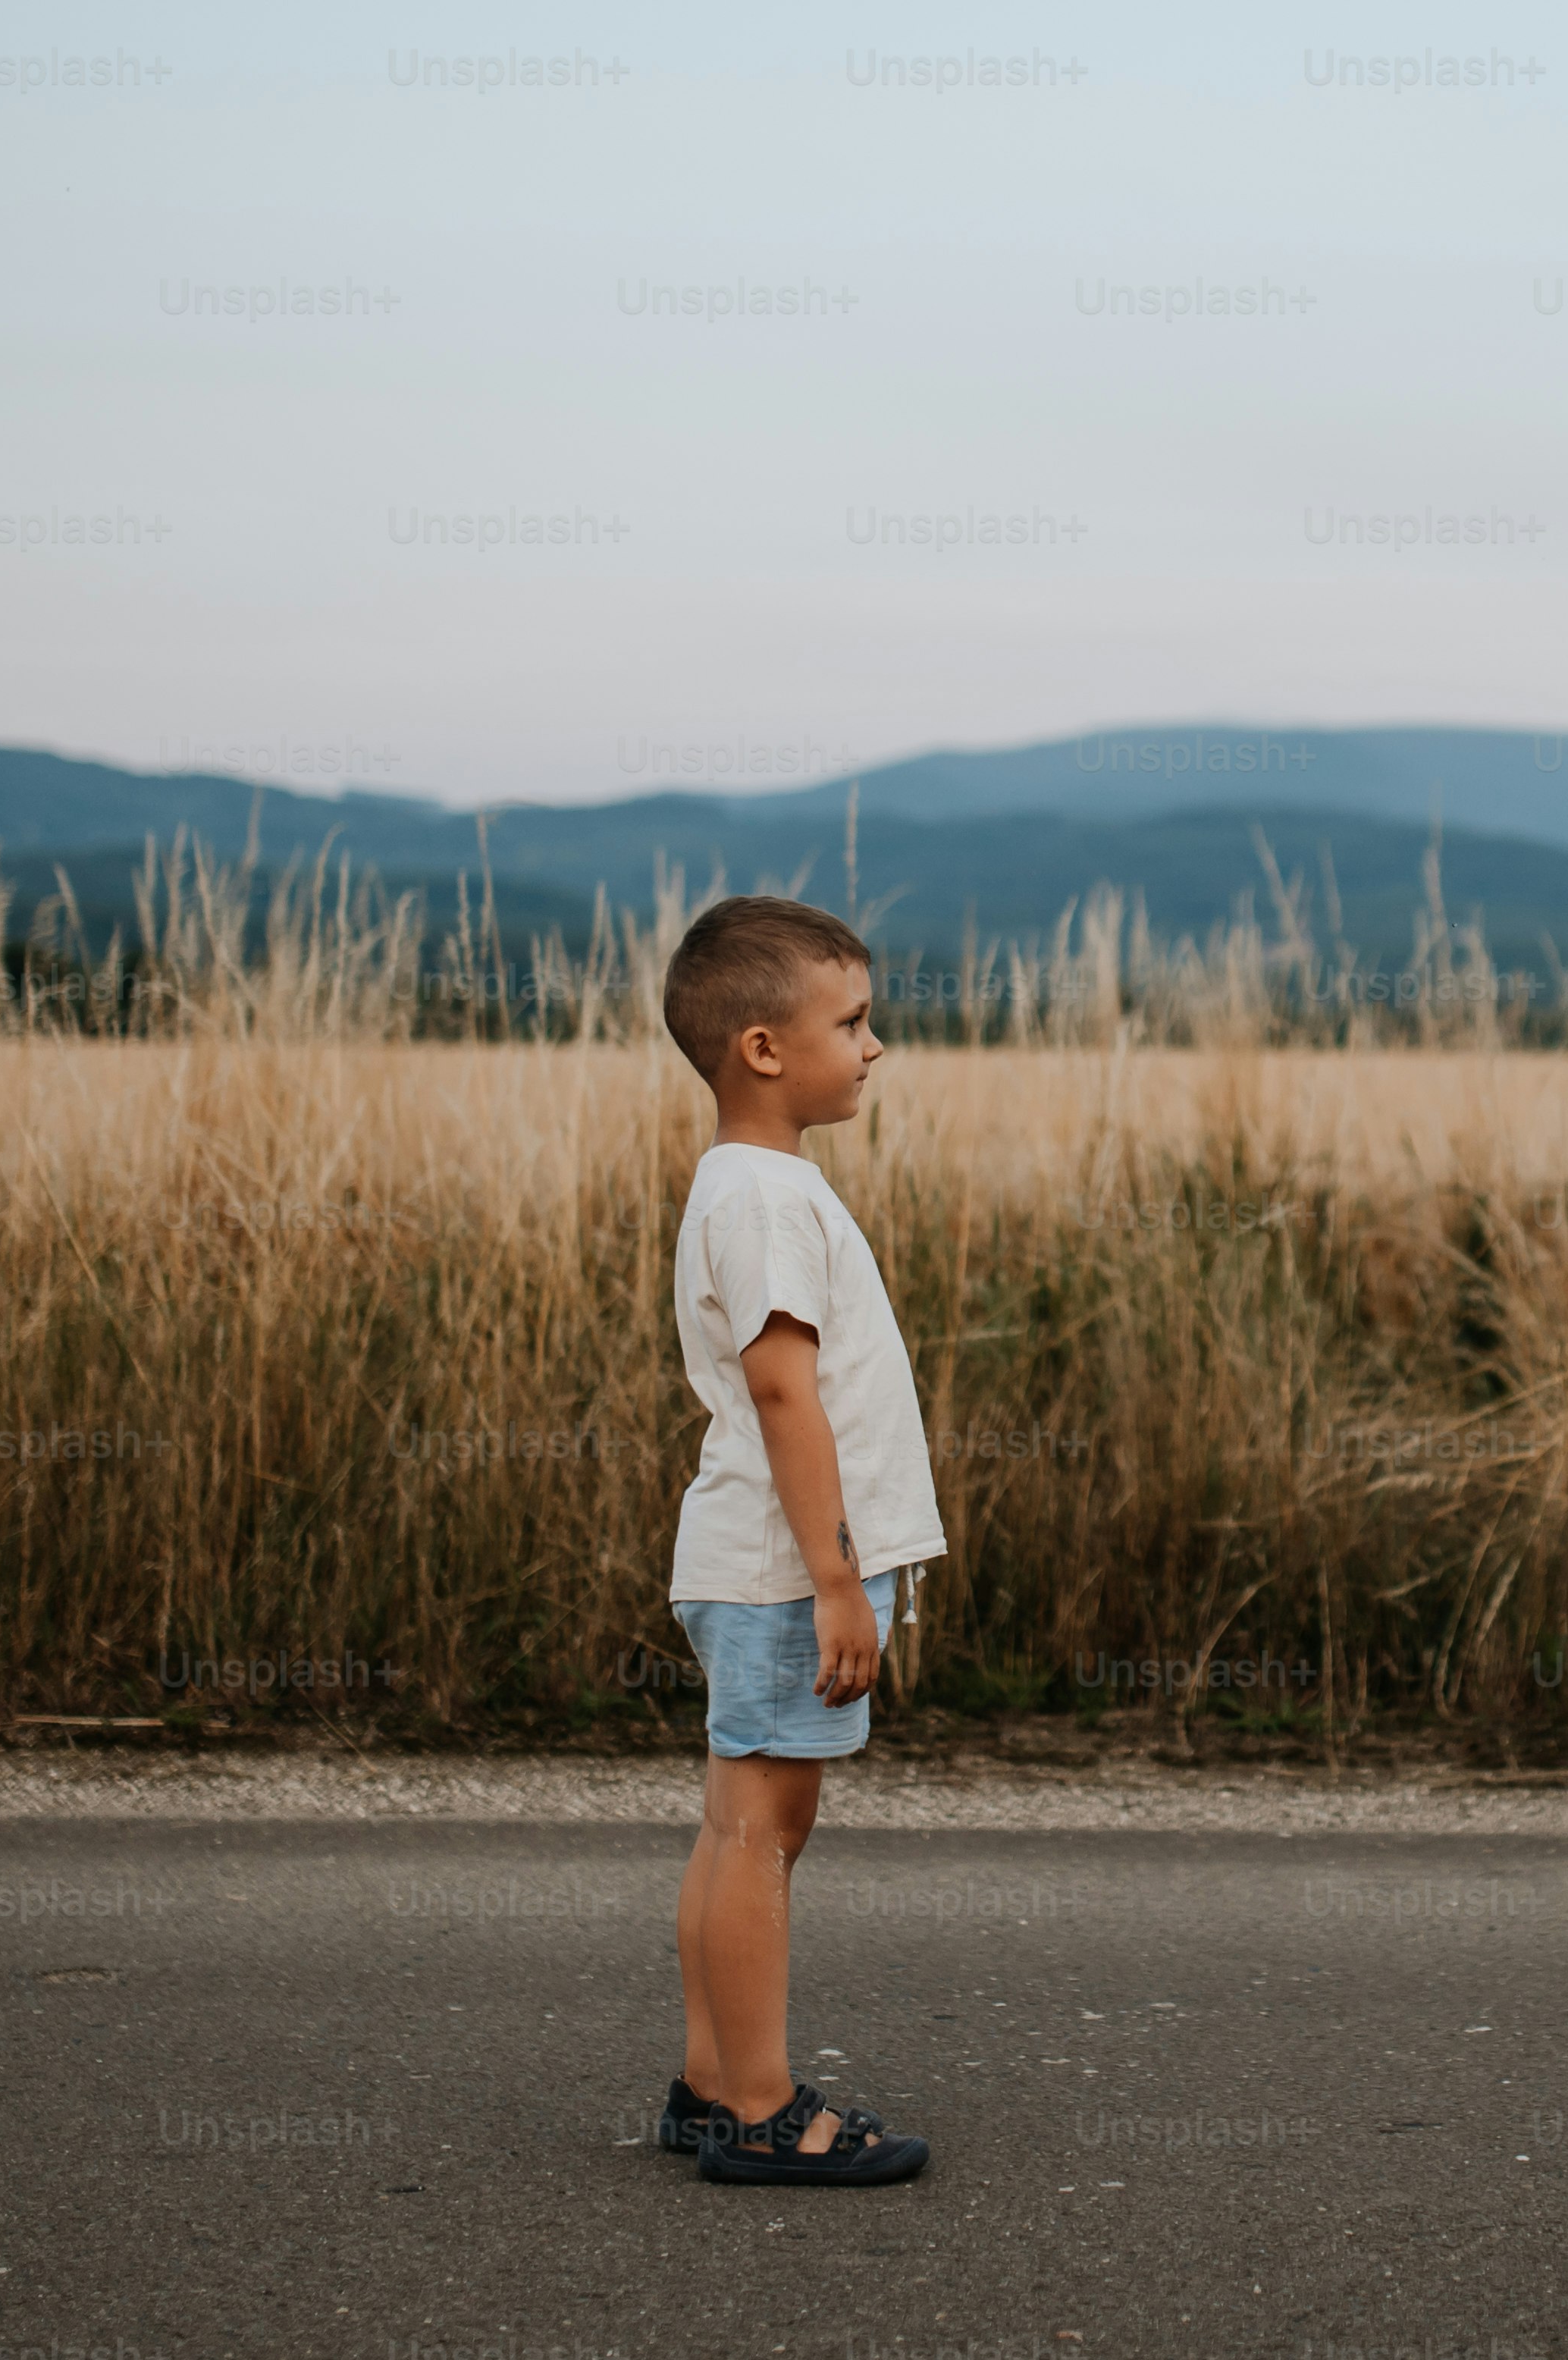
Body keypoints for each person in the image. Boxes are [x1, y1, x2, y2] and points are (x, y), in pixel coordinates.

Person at [651, 894, 944, 2187]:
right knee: (765, 1834)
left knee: (734, 1828)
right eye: (854, 1021)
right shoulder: (768, 1196)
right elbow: (786, 1396)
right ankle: (764, 2110)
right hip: (784, 1571)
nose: (874, 1047)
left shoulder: (752, 1184)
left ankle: (712, 2089)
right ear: (764, 1049)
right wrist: (839, 1582)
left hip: (755, 1563)